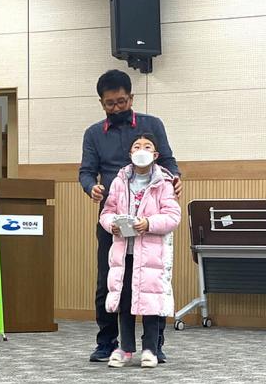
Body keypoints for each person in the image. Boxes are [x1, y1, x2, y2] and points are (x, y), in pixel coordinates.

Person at [79, 69, 181, 363]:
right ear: (101, 103)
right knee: (109, 281)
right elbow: (86, 171)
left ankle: (155, 345)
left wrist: (176, 178)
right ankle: (107, 342)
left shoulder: (152, 125)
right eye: (110, 103)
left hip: (151, 217)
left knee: (152, 280)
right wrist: (91, 187)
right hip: (114, 217)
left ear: (131, 98)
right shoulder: (94, 133)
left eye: (121, 102)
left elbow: (168, 161)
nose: (116, 108)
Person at [99, 134, 181, 368]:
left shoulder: (164, 183)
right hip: (124, 253)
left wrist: (149, 223)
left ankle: (150, 349)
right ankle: (125, 349)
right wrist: (112, 224)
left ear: (155, 155)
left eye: (147, 146)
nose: (141, 149)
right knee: (124, 301)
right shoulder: (119, 181)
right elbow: (106, 212)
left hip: (151, 255)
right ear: (130, 154)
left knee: (150, 302)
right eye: (136, 146)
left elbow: (172, 216)